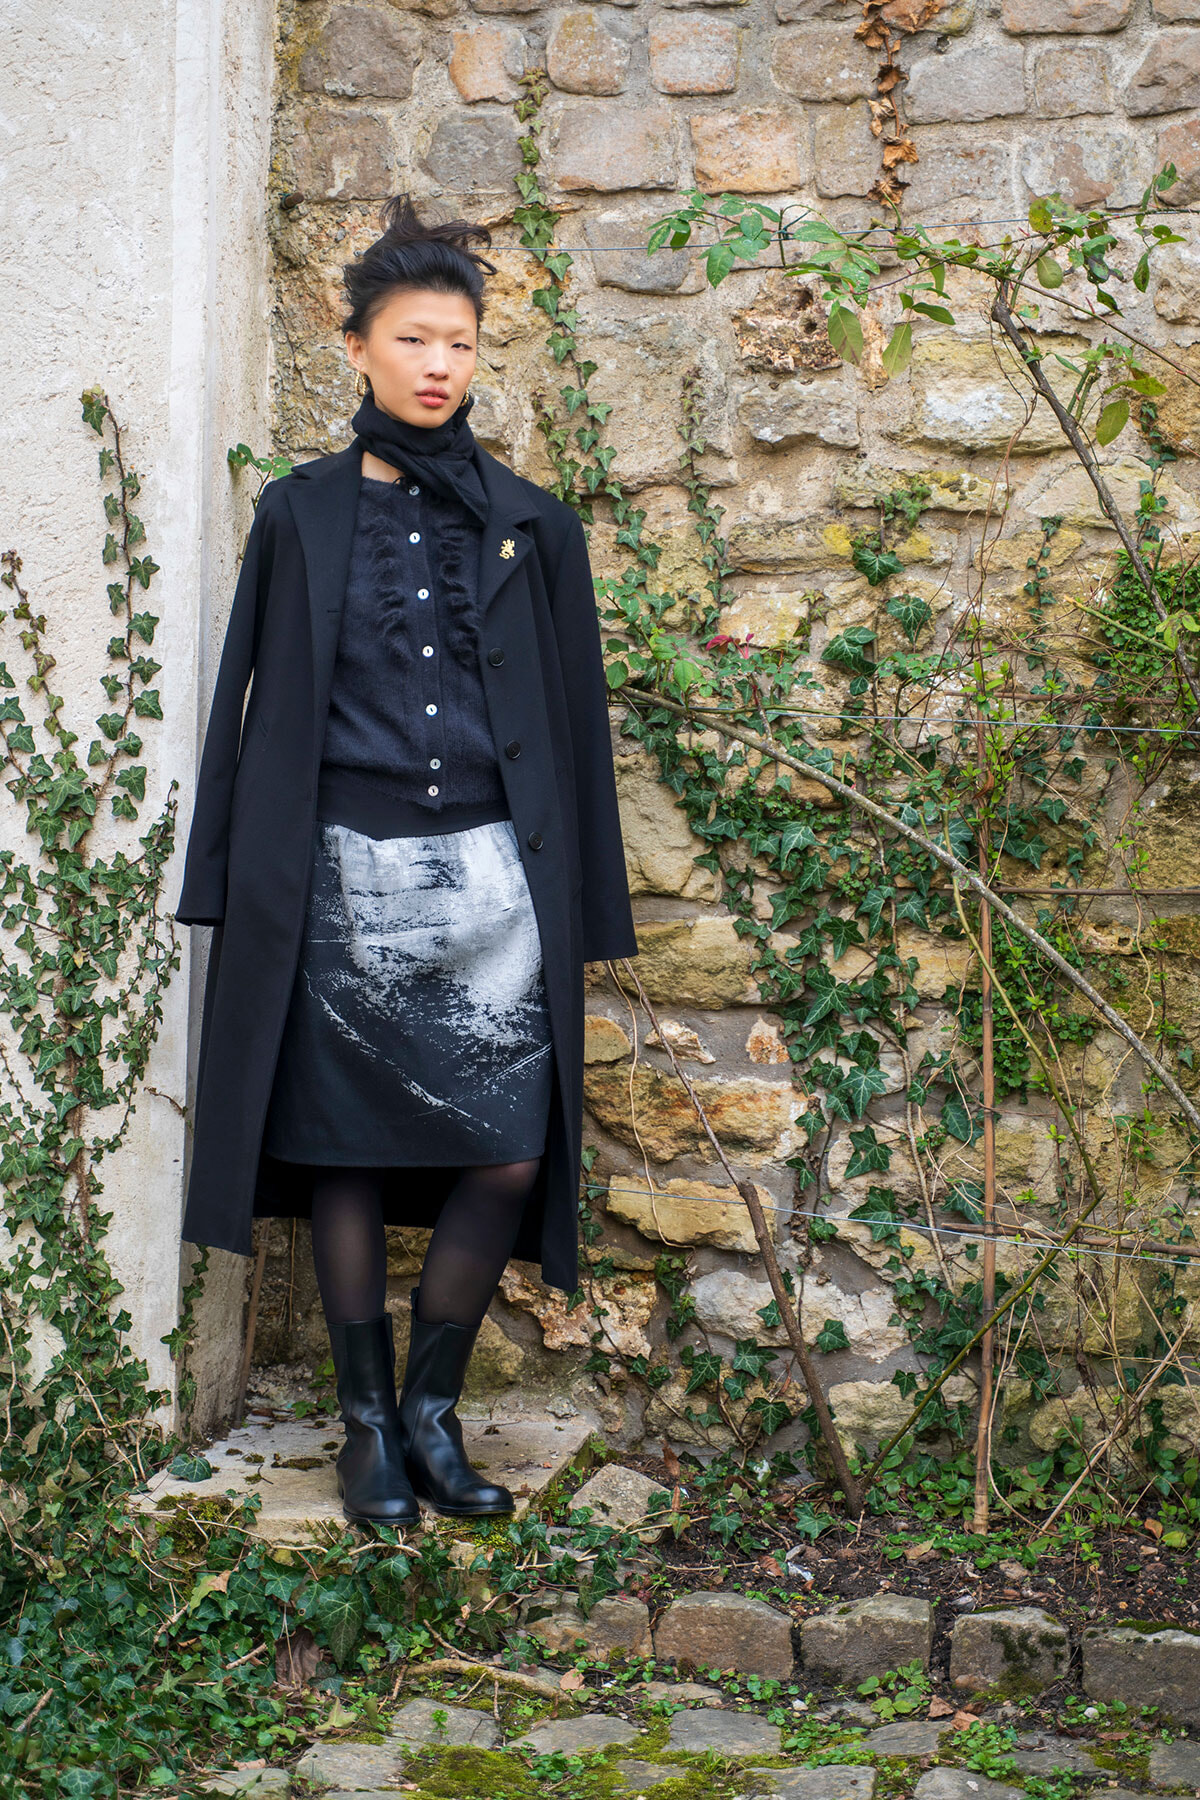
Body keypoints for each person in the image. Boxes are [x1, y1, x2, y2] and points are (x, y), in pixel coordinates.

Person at [173, 194, 638, 1528]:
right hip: (339, 883)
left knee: (509, 1150)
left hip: (496, 889)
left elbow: (575, 726)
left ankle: (433, 1409)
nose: (440, 364)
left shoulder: (536, 528)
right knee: (346, 1154)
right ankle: (369, 1426)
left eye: (462, 343)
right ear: (358, 348)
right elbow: (246, 708)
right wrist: (223, 880)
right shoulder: (299, 515)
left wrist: (589, 905)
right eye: (414, 339)